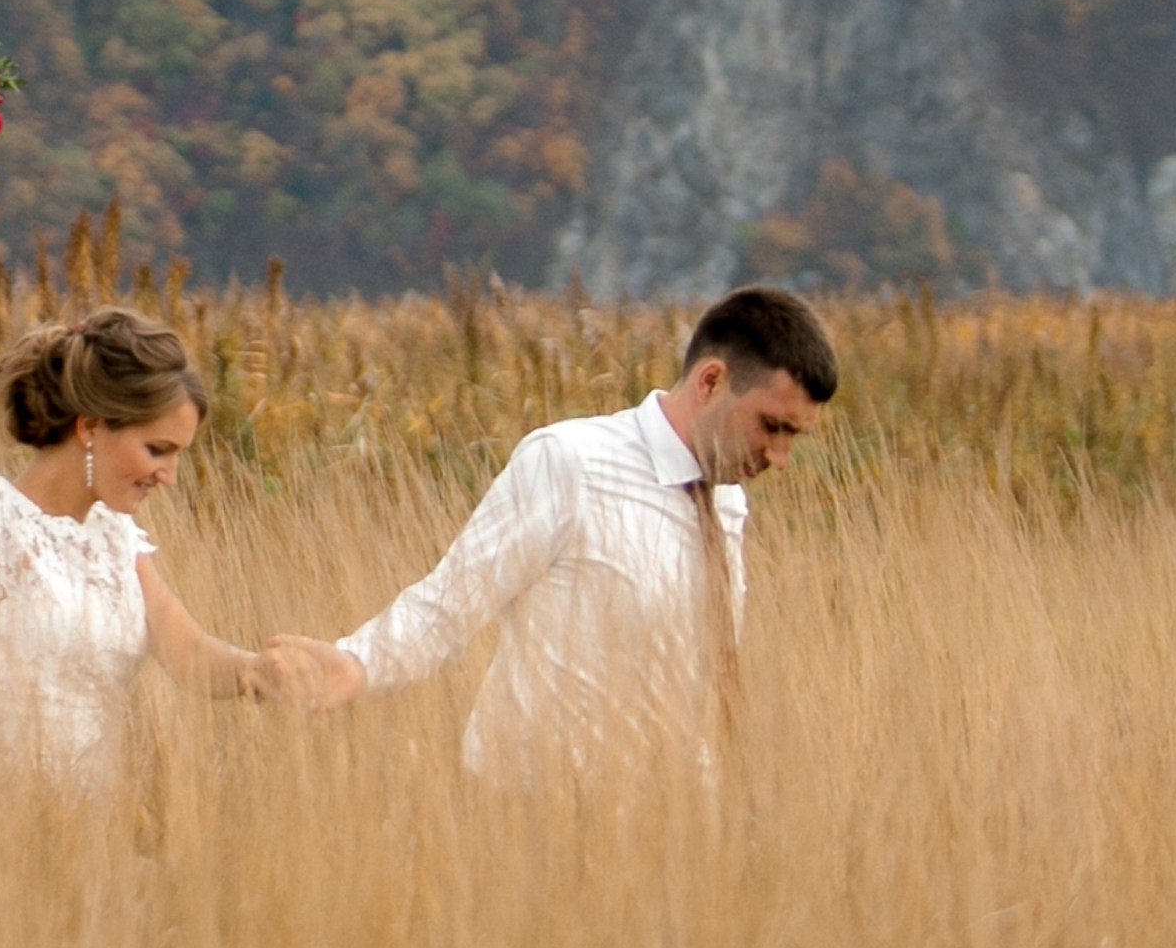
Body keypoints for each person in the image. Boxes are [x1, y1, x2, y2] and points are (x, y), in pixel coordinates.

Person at [264, 284, 838, 777]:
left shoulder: (728, 503)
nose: (780, 457)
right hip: (530, 814)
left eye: (795, 437)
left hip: (671, 829)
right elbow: (450, 605)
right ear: (711, 381)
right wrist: (354, 664)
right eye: (772, 427)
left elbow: (697, 678)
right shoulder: (570, 461)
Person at [0, 102, 275, 783]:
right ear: (91, 426)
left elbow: (192, 659)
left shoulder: (117, 545)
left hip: (104, 847)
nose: (167, 476)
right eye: (157, 450)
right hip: (10, 845)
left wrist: (268, 671)